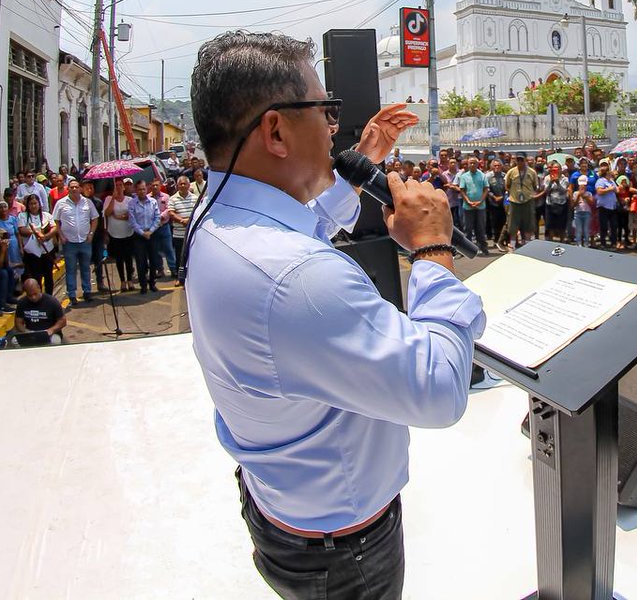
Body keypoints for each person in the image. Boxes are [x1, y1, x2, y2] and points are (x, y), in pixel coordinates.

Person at [184, 31, 481, 599]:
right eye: (325, 111)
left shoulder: (220, 215)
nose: (333, 128)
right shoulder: (298, 279)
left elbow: (303, 228)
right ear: (275, 130)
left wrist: (364, 159)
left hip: (285, 508)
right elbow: (440, 389)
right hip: (344, 552)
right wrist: (431, 250)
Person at [52, 178, 100, 305]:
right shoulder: (61, 203)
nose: (74, 189)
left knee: (85, 268)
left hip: (85, 241)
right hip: (69, 243)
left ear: (80, 189)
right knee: (71, 269)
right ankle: (72, 294)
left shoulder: (87, 202)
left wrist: (91, 234)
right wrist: (61, 236)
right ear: (68, 189)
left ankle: (87, 291)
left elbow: (95, 219)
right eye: (71, 187)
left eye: (76, 187)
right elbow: (56, 221)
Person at [128, 179, 164, 294]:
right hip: (139, 235)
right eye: (139, 189)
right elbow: (132, 221)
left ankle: (152, 283)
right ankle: (143, 285)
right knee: (141, 261)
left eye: (144, 189)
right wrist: (142, 233)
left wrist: (151, 231)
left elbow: (157, 218)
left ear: (146, 189)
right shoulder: (132, 203)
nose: (142, 191)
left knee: (154, 260)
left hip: (152, 234)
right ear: (136, 190)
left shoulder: (153, 202)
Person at [17, 193, 57, 295]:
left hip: (47, 250)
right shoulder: (23, 216)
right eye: (31, 204)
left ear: (39, 204)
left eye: (35, 203)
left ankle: (49, 297)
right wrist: (36, 233)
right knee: (36, 276)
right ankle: (38, 297)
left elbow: (54, 228)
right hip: (32, 253)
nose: (33, 206)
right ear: (28, 205)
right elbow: (22, 230)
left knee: (48, 276)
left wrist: (45, 236)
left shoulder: (47, 215)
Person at [12, 278, 67, 347]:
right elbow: (18, 322)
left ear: (39, 288)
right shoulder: (22, 303)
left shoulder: (52, 302)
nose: (33, 297)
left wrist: (51, 330)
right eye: (30, 295)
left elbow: (62, 321)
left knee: (55, 342)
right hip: (30, 333)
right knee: (14, 341)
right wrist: (26, 332)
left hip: (49, 333)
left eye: (35, 294)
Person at [104, 178, 137, 292]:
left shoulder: (129, 200)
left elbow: (131, 214)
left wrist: (119, 217)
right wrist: (113, 198)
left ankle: (129, 280)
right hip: (115, 234)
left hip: (128, 232)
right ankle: (122, 281)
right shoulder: (108, 199)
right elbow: (107, 213)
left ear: (123, 187)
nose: (118, 187)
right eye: (116, 185)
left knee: (128, 258)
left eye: (120, 185)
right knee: (119, 258)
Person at [505, 153, 539, 248]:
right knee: (512, 225)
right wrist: (515, 193)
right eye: (518, 160)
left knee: (529, 224)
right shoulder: (511, 172)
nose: (519, 162)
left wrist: (527, 193)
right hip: (514, 202)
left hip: (528, 201)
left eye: (521, 160)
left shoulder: (532, 172)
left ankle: (528, 246)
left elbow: (535, 186)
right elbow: (507, 185)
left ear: (525, 160)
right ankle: (512, 246)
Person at [168, 175, 200, 275]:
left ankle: (193, 276)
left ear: (188, 185)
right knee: (180, 257)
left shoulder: (196, 198)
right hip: (179, 234)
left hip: (192, 233)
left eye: (184, 183)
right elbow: (171, 213)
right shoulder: (173, 199)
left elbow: (198, 212)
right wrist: (182, 221)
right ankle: (180, 277)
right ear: (177, 186)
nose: (182, 185)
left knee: (193, 256)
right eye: (180, 184)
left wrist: (189, 221)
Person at [457, 157, 489, 256]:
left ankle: (483, 248)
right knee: (468, 229)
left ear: (477, 164)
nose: (472, 165)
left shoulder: (482, 175)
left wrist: (480, 201)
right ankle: (467, 250)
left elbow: (486, 189)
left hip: (481, 206)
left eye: (474, 163)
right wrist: (468, 201)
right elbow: (462, 190)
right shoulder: (464, 176)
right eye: (470, 163)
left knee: (480, 228)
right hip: (468, 206)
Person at [542, 162, 570, 243]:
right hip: (550, 204)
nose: (555, 171)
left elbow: (563, 191)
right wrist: (551, 182)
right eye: (554, 169)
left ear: (561, 170)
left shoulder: (565, 179)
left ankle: (562, 241)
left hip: (561, 204)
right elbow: (546, 192)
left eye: (557, 169)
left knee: (561, 226)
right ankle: (551, 242)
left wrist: (557, 182)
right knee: (550, 226)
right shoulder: (547, 178)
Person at [594, 163, 619, 248]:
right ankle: (603, 243)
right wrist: (609, 189)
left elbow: (617, 190)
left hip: (613, 207)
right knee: (603, 226)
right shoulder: (600, 181)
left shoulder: (611, 181)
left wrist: (615, 188)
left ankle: (613, 243)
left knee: (614, 226)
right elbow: (599, 192)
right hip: (603, 207)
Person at [485, 158, 507, 251]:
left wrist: (503, 196)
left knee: (504, 221)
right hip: (493, 202)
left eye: (498, 165)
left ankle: (503, 240)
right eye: (495, 165)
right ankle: (496, 240)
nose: (497, 167)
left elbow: (507, 187)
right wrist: (494, 197)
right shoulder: (488, 176)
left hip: (504, 202)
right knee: (495, 222)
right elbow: (487, 189)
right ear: (492, 166)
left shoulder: (504, 176)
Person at [572, 174, 594, 247]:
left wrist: (585, 196)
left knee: (586, 229)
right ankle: (579, 243)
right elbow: (574, 204)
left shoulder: (589, 193)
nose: (582, 187)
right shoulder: (575, 193)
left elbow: (591, 203)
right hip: (578, 213)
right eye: (581, 186)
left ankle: (586, 243)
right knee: (579, 230)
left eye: (584, 186)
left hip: (587, 213)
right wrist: (578, 196)